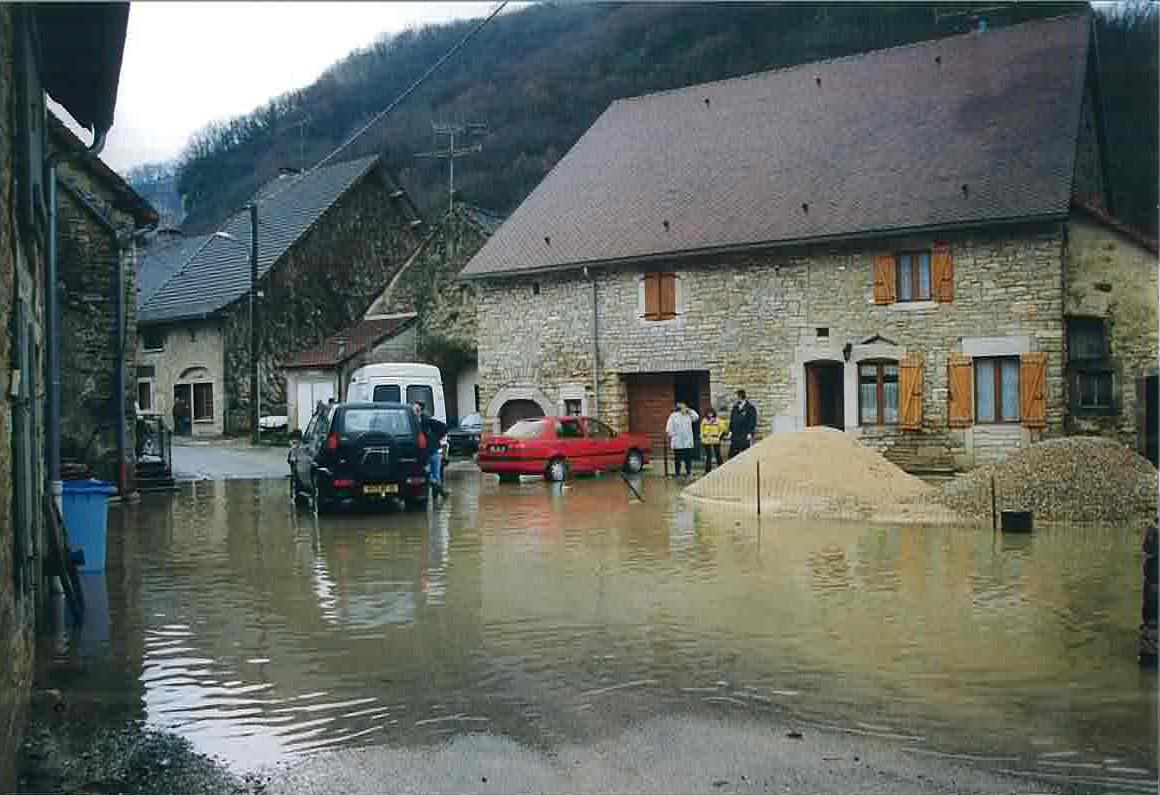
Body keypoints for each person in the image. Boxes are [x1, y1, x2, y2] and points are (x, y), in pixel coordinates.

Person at [413, 400, 448, 498]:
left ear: (420, 410)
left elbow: (443, 428)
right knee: (429, 475)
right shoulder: (413, 422)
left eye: (416, 409)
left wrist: (437, 438)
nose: (414, 411)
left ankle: (437, 497)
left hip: (434, 451)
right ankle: (441, 493)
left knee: (435, 475)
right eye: (414, 409)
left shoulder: (427, 420)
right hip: (424, 454)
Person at [665, 401, 699, 479]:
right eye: (682, 407)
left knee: (688, 459)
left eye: (685, 407)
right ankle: (677, 474)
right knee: (678, 459)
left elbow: (696, 417)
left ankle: (688, 473)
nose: (684, 408)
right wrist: (674, 435)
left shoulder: (689, 415)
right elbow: (669, 428)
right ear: (679, 407)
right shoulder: (673, 416)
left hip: (687, 442)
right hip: (678, 442)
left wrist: (689, 410)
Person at [728, 389, 757, 459]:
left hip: (745, 434)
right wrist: (730, 431)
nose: (736, 398)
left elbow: (752, 421)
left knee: (745, 454)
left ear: (741, 396)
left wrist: (750, 433)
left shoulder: (750, 407)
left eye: (737, 396)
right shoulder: (735, 407)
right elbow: (732, 419)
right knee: (732, 455)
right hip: (735, 434)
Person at [700, 407, 728, 475]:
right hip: (707, 440)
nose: (710, 414)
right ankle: (707, 471)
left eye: (711, 413)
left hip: (715, 440)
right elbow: (701, 430)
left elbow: (724, 429)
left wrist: (719, 436)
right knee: (708, 456)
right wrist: (702, 438)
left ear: (713, 413)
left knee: (718, 454)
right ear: (706, 413)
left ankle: (721, 469)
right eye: (708, 413)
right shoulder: (704, 420)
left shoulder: (717, 420)